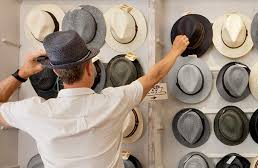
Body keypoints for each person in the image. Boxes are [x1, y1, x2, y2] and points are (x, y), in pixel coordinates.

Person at [0, 30, 189, 168]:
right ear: (90, 68)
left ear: (57, 72)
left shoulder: (35, 112)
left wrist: (22, 73)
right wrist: (175, 50)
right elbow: (154, 76)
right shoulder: (115, 101)